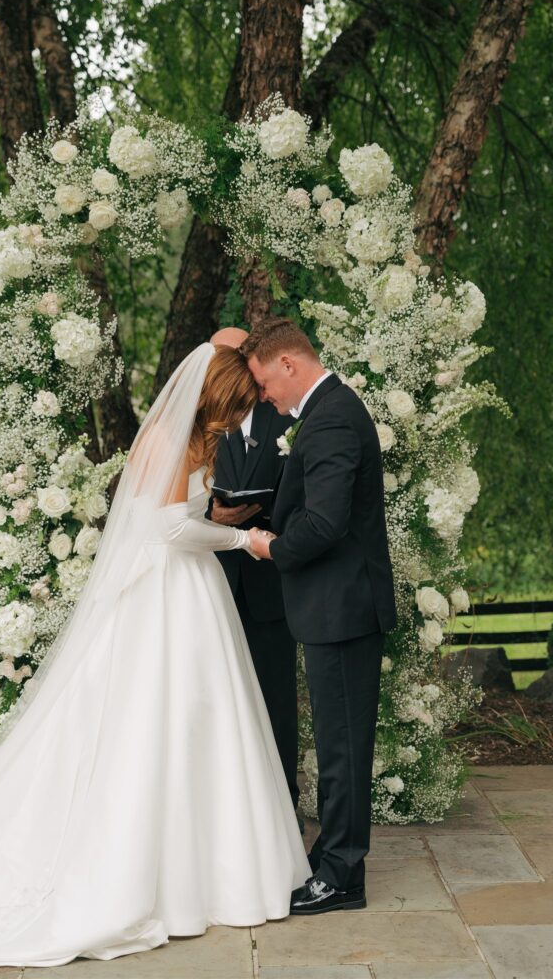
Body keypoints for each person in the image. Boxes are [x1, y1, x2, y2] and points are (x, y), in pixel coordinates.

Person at [0, 343, 310, 979]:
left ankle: (213, 870)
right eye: (234, 406)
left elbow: (181, 512)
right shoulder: (169, 440)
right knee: (159, 719)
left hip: (192, 589)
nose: (239, 419)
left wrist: (222, 516)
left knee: (204, 721)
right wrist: (241, 538)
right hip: (167, 592)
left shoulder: (197, 439)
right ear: (212, 399)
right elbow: (166, 529)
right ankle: (157, 877)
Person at [243, 317, 397, 916]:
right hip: (337, 606)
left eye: (263, 383)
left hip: (342, 608)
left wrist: (271, 547)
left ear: (288, 364)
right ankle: (335, 858)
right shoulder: (329, 409)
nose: (264, 396)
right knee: (338, 742)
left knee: (342, 748)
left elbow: (327, 521)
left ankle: (341, 874)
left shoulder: (330, 415)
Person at [207, 327, 299, 810]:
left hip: (268, 586)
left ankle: (283, 803)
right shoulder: (197, 425)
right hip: (209, 587)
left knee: (275, 701)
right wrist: (211, 515)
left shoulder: (282, 420)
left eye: (235, 356)